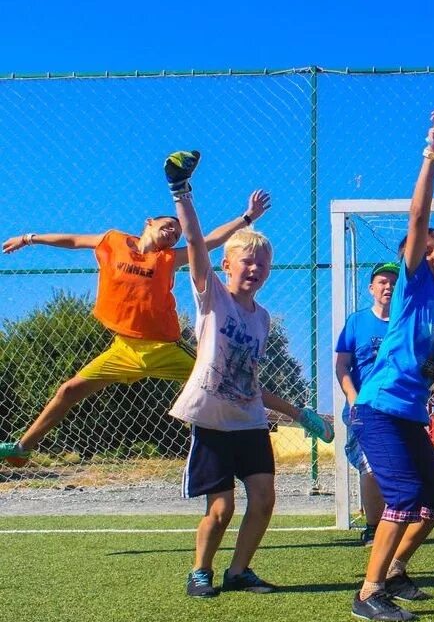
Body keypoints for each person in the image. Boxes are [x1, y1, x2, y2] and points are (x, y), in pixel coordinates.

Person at [0, 171, 271, 467]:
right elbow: (74, 240)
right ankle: (23, 448)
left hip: (163, 348)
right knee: (68, 390)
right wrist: (29, 238)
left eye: (177, 233)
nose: (172, 233)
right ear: (148, 223)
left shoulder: (168, 258)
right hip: (124, 349)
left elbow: (206, 242)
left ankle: (287, 417)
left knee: (226, 380)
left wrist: (246, 217)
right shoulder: (113, 242)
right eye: (168, 226)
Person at [163, 152, 331, 598]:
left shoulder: (262, 319)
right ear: (228, 266)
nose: (255, 269)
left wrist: (302, 415)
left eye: (262, 263)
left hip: (250, 422)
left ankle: (239, 571)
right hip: (213, 422)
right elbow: (197, 245)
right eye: (247, 261)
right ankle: (201, 570)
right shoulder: (212, 298)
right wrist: (182, 195)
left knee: (264, 498)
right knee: (220, 508)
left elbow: (250, 383)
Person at [351, 115, 434, 622]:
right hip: (378, 408)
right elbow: (418, 219)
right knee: (403, 496)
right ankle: (367, 592)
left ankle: (394, 569)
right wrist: (431, 154)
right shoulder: (413, 284)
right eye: (429, 250)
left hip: (412, 412)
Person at [334, 262, 399, 546]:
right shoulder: (357, 321)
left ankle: (396, 522)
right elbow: (342, 366)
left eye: (395, 282)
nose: (389, 286)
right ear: (371, 288)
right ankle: (373, 527)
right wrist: (352, 398)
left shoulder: (406, 322)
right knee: (370, 466)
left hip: (398, 408)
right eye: (383, 281)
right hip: (364, 409)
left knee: (398, 468)